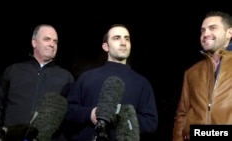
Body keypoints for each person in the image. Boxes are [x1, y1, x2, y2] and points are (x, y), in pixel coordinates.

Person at [65, 24, 158, 141]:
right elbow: (68, 111)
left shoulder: (142, 83)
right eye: (117, 38)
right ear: (105, 46)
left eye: (127, 38)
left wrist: (121, 118)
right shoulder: (86, 78)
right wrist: (90, 114)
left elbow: (150, 122)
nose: (123, 42)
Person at [0, 24, 74, 141]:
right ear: (34, 43)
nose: (52, 44)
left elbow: (71, 114)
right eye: (47, 39)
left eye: (55, 41)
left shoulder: (66, 77)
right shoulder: (13, 71)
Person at [172, 11, 232, 141]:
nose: (205, 34)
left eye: (213, 28)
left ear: (229, 33)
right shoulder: (191, 72)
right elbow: (181, 115)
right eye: (202, 30)